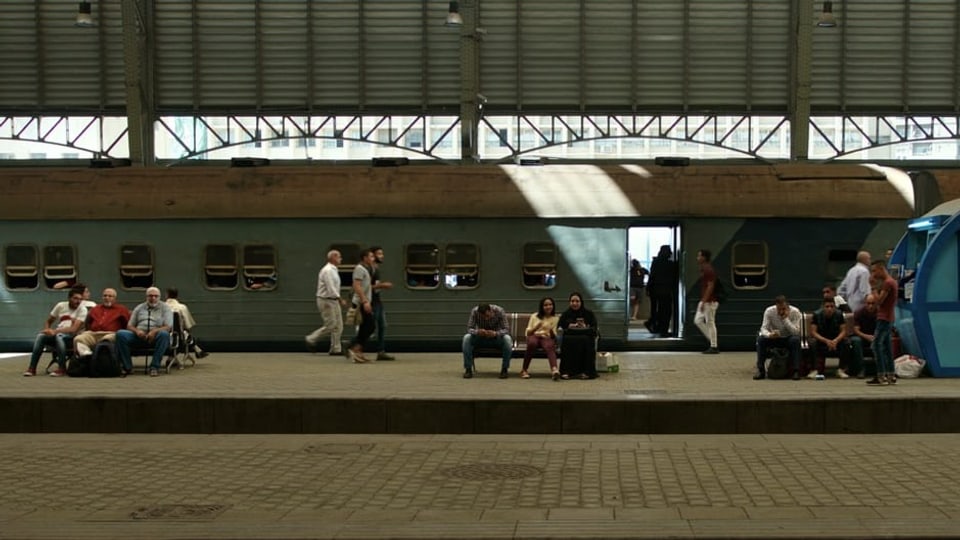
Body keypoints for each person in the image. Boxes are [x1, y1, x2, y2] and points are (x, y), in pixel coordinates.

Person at [22, 287, 88, 377]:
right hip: (58, 334)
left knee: (59, 336)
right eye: (75, 298)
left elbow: (74, 329)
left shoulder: (82, 310)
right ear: (69, 298)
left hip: (72, 338)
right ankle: (32, 368)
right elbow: (49, 321)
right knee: (41, 336)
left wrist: (55, 331)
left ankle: (62, 368)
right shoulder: (61, 306)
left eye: (80, 299)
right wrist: (47, 330)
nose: (78, 301)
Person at [116, 287, 173, 377]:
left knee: (164, 335)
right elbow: (130, 325)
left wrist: (154, 331)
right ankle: (127, 367)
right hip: (139, 336)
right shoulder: (139, 308)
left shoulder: (165, 308)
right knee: (121, 334)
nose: (153, 298)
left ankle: (154, 367)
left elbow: (168, 326)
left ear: (159, 297)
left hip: (156, 337)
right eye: (150, 296)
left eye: (156, 296)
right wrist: (137, 331)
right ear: (146, 297)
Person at [305, 250, 347, 356]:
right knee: (331, 325)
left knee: (339, 325)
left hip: (333, 300)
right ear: (333, 257)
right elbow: (330, 287)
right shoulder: (328, 270)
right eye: (339, 257)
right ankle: (311, 339)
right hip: (326, 300)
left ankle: (336, 348)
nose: (341, 259)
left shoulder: (333, 270)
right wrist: (340, 298)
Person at [755, 295, 803, 380]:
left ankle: (796, 371)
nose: (781, 311)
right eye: (779, 309)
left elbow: (796, 332)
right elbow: (763, 328)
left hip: (788, 338)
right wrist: (769, 335)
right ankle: (761, 370)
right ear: (776, 306)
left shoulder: (795, 312)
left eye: (783, 309)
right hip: (774, 338)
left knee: (795, 340)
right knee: (761, 340)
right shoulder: (769, 311)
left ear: (788, 306)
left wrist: (785, 319)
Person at [73, 288, 130, 358]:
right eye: (105, 296)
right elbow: (88, 323)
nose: (107, 298)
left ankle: (101, 362)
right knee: (78, 339)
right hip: (94, 334)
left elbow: (127, 324)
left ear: (115, 298)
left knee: (105, 341)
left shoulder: (121, 309)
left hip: (111, 334)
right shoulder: (95, 308)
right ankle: (87, 358)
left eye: (110, 296)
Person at [461, 303, 513, 379]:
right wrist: (478, 332)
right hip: (481, 338)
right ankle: (468, 369)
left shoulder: (500, 311)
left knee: (507, 339)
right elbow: (469, 328)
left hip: (496, 338)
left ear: (491, 311)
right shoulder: (474, 312)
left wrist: (496, 333)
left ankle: (504, 369)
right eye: (483, 317)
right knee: (466, 338)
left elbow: (506, 329)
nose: (486, 319)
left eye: (487, 316)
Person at [868, 260, 898, 386]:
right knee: (886, 347)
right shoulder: (893, 282)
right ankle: (891, 374)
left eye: (875, 270)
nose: (873, 274)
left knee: (876, 345)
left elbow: (879, 301)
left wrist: (873, 288)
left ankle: (881, 375)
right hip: (889, 317)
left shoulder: (887, 283)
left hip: (884, 318)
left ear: (881, 269)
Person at [558, 292, 598, 380]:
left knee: (586, 341)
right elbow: (560, 327)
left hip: (586, 336)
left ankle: (587, 372)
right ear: (569, 302)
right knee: (567, 341)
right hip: (570, 337)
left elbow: (594, 328)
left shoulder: (589, 313)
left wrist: (585, 326)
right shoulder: (565, 314)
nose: (575, 303)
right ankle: (567, 371)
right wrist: (569, 326)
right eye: (572, 301)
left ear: (581, 302)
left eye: (577, 301)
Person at [346, 249, 377, 363]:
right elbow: (357, 286)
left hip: (364, 301)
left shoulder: (367, 269)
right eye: (371, 256)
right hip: (360, 302)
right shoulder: (359, 269)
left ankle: (357, 351)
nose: (373, 258)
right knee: (370, 326)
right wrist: (364, 301)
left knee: (366, 327)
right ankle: (354, 348)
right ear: (365, 258)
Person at [809, 297, 851, 379]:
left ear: (834, 307)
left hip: (836, 341)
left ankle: (841, 369)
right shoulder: (816, 314)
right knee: (812, 342)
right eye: (827, 306)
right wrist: (826, 341)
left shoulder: (839, 314)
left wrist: (836, 340)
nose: (829, 309)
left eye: (832, 306)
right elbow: (813, 332)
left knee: (846, 342)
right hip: (822, 340)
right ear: (823, 307)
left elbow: (843, 331)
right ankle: (815, 370)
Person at [520, 297, 560, 380]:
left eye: (550, 304)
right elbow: (528, 333)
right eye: (545, 305)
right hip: (534, 336)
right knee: (532, 344)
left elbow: (553, 336)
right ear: (542, 307)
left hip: (546, 337)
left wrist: (551, 331)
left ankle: (554, 370)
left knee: (549, 346)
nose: (548, 307)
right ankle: (524, 370)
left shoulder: (556, 318)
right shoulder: (534, 316)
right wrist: (536, 327)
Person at [164, 287, 209, 359]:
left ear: (166, 295)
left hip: (163, 335)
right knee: (186, 334)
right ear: (177, 296)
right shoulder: (182, 307)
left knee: (184, 335)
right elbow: (188, 325)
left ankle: (198, 351)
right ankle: (198, 351)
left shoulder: (161, 307)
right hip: (177, 337)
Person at [370, 246, 395, 361]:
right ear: (373, 255)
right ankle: (351, 344)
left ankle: (381, 351)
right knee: (369, 327)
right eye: (379, 254)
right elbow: (365, 287)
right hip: (371, 301)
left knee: (382, 326)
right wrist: (382, 285)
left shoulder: (376, 268)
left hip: (377, 300)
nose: (382, 256)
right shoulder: (370, 269)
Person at [646, 245, 678, 336]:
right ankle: (663, 330)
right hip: (665, 291)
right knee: (666, 311)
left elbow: (652, 275)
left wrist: (648, 288)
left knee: (656, 309)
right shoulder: (671, 265)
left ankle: (654, 325)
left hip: (654, 290)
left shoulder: (655, 262)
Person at [694, 249, 719, 354]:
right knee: (698, 320)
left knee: (710, 322)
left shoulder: (708, 269)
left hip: (710, 301)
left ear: (704, 258)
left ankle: (714, 346)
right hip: (706, 300)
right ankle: (712, 341)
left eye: (699, 256)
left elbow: (710, 286)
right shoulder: (705, 269)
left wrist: (704, 301)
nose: (697, 258)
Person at [851, 292, 878, 379]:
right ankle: (861, 369)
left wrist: (875, 337)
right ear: (865, 303)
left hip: (876, 337)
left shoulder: (880, 313)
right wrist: (866, 336)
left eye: (873, 303)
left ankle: (881, 369)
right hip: (862, 337)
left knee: (883, 340)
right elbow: (856, 330)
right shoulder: (859, 313)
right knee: (856, 341)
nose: (870, 306)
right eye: (868, 303)